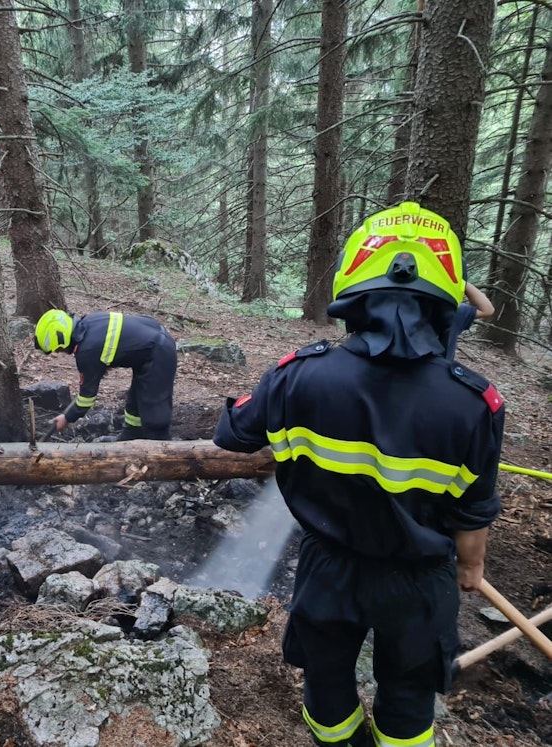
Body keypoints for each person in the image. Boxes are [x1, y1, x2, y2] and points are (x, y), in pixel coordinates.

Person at [213, 202, 504, 747]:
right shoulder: (477, 402)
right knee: (411, 696)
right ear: (444, 293)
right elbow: (474, 509)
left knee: (325, 685)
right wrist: (471, 566)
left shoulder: (298, 375)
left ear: (352, 282)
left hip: (330, 568)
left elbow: (231, 435)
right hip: (421, 580)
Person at [34, 308, 177, 440]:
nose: (60, 353)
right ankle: (130, 437)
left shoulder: (88, 351)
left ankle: (163, 451)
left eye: (58, 350)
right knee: (136, 401)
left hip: (159, 351)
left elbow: (86, 399)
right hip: (152, 344)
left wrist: (67, 417)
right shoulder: (88, 322)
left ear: (61, 340)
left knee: (155, 414)